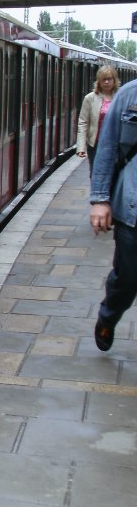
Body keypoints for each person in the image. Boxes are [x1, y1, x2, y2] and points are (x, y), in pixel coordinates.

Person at [89, 77, 137, 351]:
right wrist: (100, 200)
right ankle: (109, 315)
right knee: (128, 277)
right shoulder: (129, 95)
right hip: (132, 208)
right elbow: (107, 148)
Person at [77, 65, 120, 175]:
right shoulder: (90, 98)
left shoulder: (121, 97)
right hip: (95, 144)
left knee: (114, 174)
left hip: (116, 144)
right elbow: (83, 122)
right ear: (99, 81)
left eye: (109, 79)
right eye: (103, 79)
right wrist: (81, 147)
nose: (106, 82)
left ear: (114, 80)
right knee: (96, 174)